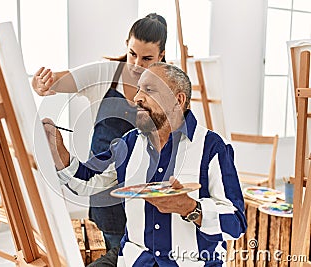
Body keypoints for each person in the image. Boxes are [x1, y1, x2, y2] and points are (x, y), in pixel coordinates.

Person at [43, 62, 247, 266]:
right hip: (135, 260)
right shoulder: (129, 143)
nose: (136, 97)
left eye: (149, 90)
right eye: (139, 89)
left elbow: (236, 223)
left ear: (178, 99)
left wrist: (190, 208)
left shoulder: (212, 147)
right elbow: (87, 181)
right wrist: (57, 150)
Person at [32, 13, 168, 251]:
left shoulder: (167, 87)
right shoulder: (106, 74)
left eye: (147, 58)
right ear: (126, 44)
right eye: (132, 54)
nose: (136, 65)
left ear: (161, 56)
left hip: (148, 196)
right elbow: (54, 82)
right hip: (105, 195)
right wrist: (41, 84)